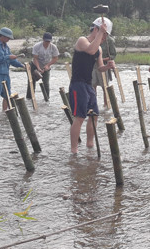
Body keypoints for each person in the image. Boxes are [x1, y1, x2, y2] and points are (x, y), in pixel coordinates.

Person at [69, 17, 115, 154]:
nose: (104, 38)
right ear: (96, 29)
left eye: (105, 35)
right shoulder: (82, 40)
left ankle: (90, 144)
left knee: (94, 114)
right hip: (77, 84)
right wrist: (101, 32)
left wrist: (107, 66)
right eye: (104, 34)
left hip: (88, 85)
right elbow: (90, 50)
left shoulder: (99, 49)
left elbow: (99, 67)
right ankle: (74, 149)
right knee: (80, 116)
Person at [0, 27, 25, 113]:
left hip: (5, 73)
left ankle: (5, 113)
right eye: (8, 38)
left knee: (7, 95)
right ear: (3, 36)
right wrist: (8, 57)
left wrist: (21, 65)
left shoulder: (6, 47)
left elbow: (12, 61)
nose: (8, 39)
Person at [26, 32, 59, 99]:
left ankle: (46, 98)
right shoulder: (37, 46)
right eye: (46, 41)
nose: (47, 43)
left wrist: (48, 65)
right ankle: (30, 98)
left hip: (46, 65)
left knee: (46, 83)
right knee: (31, 82)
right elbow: (35, 58)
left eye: (48, 41)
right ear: (43, 40)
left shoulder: (53, 47)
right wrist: (38, 68)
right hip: (35, 65)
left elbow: (55, 58)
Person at [91, 34, 116, 107]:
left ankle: (106, 104)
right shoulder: (94, 39)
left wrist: (102, 59)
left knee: (104, 86)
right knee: (92, 85)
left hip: (104, 65)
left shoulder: (110, 41)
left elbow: (113, 55)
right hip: (93, 65)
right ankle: (93, 104)